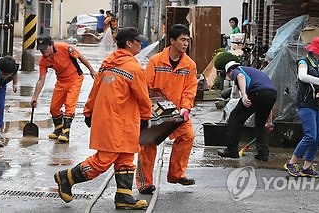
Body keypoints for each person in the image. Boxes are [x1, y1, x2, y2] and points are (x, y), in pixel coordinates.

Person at [54, 27, 152, 210]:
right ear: (129, 43)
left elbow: (95, 90)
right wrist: (147, 117)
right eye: (137, 41)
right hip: (120, 122)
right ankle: (66, 177)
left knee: (125, 158)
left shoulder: (108, 63)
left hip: (111, 120)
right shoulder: (134, 68)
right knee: (103, 160)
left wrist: (88, 111)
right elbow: (143, 97)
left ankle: (124, 197)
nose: (141, 44)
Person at [136, 24, 198, 194]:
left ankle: (176, 174)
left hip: (177, 111)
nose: (186, 43)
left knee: (187, 136)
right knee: (148, 144)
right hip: (155, 111)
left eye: (188, 40)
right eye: (182, 39)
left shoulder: (189, 65)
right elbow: (146, 87)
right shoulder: (156, 61)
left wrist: (186, 108)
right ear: (172, 41)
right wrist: (147, 110)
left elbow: (190, 89)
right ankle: (145, 183)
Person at [31, 35, 97, 143]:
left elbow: (80, 56)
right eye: (41, 49)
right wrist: (35, 97)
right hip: (61, 81)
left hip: (75, 78)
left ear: (51, 45)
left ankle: (66, 132)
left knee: (69, 105)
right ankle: (58, 129)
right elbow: (41, 80)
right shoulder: (43, 61)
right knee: (54, 108)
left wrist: (91, 70)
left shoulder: (64, 48)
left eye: (45, 48)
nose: (43, 51)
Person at [284, 37, 319, 178]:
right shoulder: (303, 62)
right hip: (306, 104)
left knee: (318, 138)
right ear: (312, 51)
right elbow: (302, 76)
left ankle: (307, 167)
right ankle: (292, 162)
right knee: (310, 135)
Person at [217, 60, 277, 161]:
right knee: (260, 124)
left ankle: (231, 150)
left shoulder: (237, 70)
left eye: (228, 75)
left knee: (235, 118)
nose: (231, 78)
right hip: (271, 94)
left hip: (256, 92)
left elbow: (240, 77)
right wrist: (270, 121)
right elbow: (268, 102)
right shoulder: (253, 72)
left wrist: (244, 95)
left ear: (229, 71)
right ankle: (263, 154)